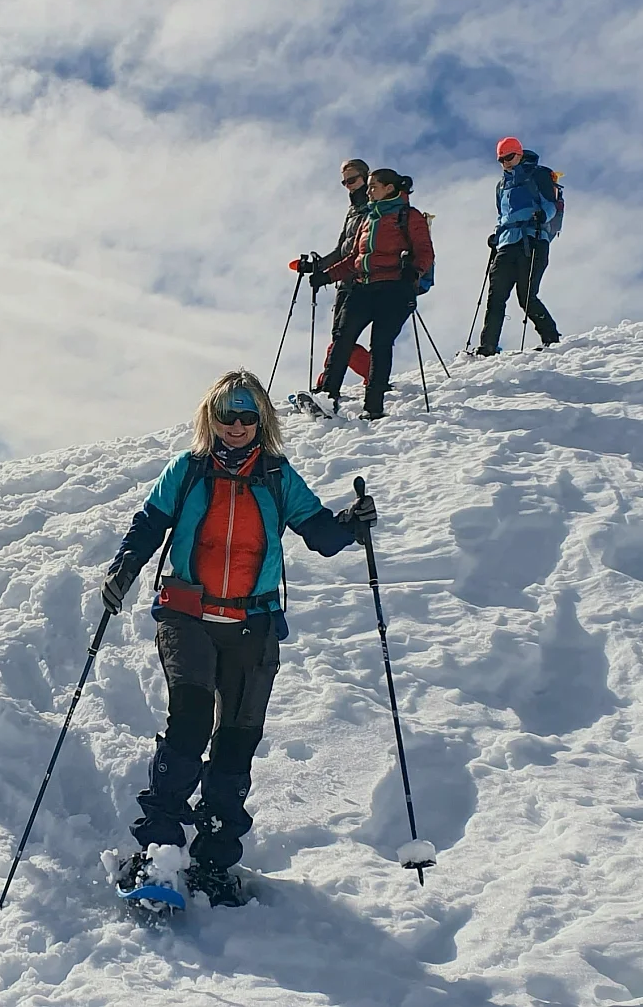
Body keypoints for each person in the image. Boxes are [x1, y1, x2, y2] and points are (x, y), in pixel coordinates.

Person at [101, 370, 374, 905]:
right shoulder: (187, 470)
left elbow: (319, 533)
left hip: (254, 624)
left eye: (248, 416)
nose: (237, 426)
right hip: (187, 616)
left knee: (236, 742)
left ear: (261, 421)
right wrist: (124, 568)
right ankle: (158, 852)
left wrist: (351, 522)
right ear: (212, 417)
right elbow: (149, 524)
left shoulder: (277, 476)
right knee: (190, 723)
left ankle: (214, 860)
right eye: (227, 415)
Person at [311, 169, 434, 420]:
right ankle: (327, 398)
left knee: (380, 343)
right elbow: (354, 259)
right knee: (342, 338)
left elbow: (425, 251)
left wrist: (414, 271)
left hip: (395, 288)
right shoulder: (369, 218)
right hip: (363, 286)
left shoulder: (408, 216)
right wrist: (327, 276)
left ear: (389, 188)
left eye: (373, 186)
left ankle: (373, 407)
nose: (368, 191)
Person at [291, 159, 374, 387]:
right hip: (345, 279)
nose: (348, 186)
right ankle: (372, 374)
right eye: (344, 182)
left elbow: (358, 250)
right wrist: (316, 267)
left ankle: (328, 386)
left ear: (366, 177)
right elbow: (341, 250)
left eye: (352, 180)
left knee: (342, 338)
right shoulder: (353, 210)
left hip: (362, 279)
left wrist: (327, 273)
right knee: (340, 337)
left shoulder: (373, 207)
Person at [476, 136, 561, 353]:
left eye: (509, 157)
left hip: (533, 239)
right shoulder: (501, 186)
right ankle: (487, 346)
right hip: (506, 243)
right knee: (496, 296)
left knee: (526, 295)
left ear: (520, 154)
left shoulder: (538, 174)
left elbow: (550, 204)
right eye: (501, 160)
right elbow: (502, 215)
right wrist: (497, 235)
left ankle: (551, 337)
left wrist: (543, 216)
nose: (505, 162)